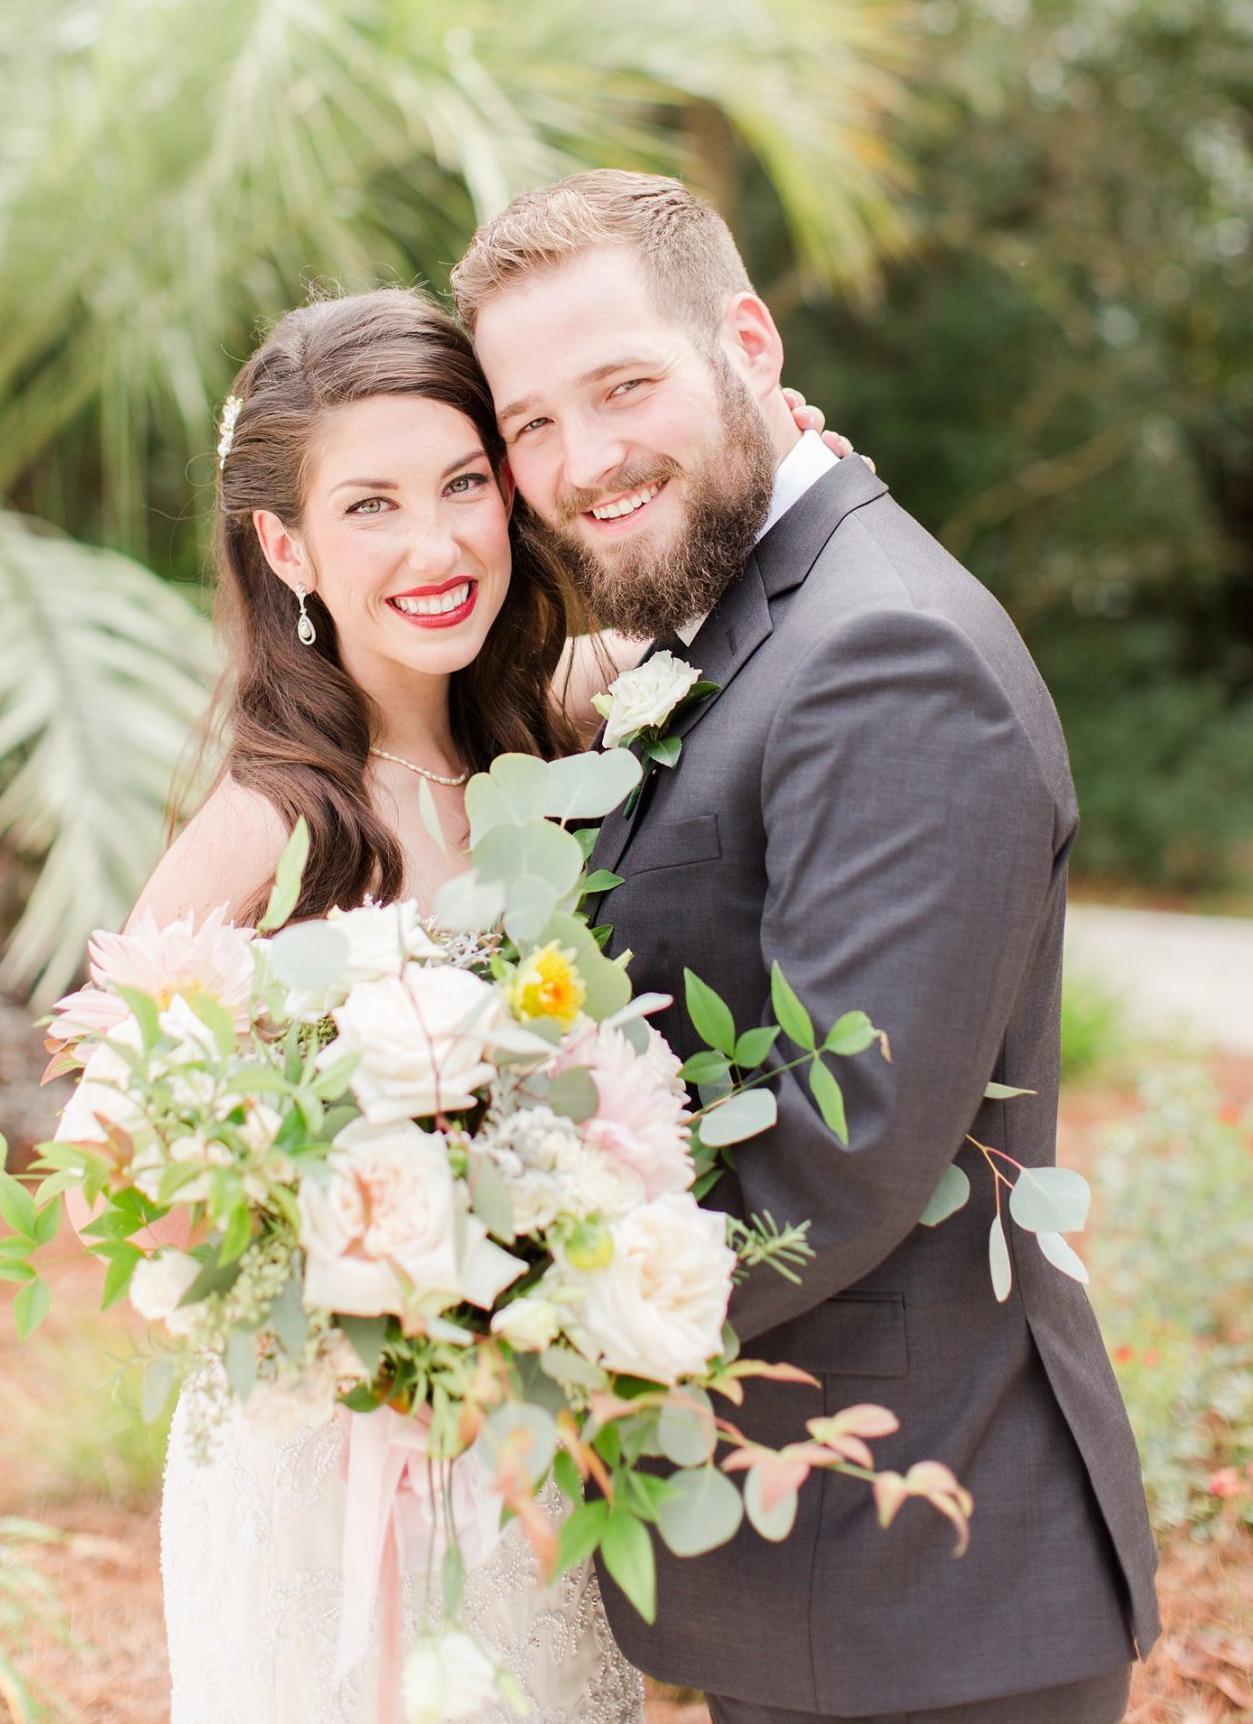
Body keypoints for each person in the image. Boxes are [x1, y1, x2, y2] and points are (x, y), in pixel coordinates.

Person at [56, 284, 849, 1724]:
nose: (433, 547)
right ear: (286, 546)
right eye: (369, 507)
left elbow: (746, 598)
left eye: (464, 485)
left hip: (523, 1460)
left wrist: (762, 449)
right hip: (321, 1468)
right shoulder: (265, 825)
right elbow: (109, 1170)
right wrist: (340, 1229)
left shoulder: (566, 730)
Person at [452, 170, 1160, 1724]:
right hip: (824, 1582)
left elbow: (840, 1150)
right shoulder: (744, 615)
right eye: (531, 424)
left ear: (747, 346)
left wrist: (487, 1318)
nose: (582, 460)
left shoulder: (884, 651)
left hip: (926, 1589)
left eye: (623, 384)